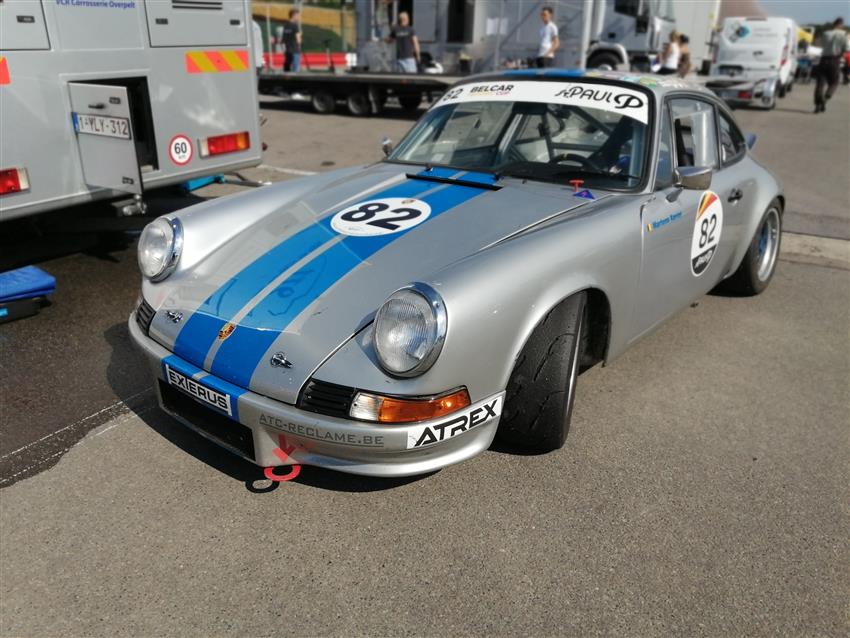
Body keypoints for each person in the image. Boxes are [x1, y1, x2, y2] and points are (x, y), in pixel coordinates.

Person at [814, 17, 848, 112]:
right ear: (841, 25)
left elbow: (818, 44)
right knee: (834, 82)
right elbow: (847, 48)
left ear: (833, 24)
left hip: (824, 59)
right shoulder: (844, 34)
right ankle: (826, 97)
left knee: (820, 83)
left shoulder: (825, 33)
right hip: (835, 60)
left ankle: (817, 104)